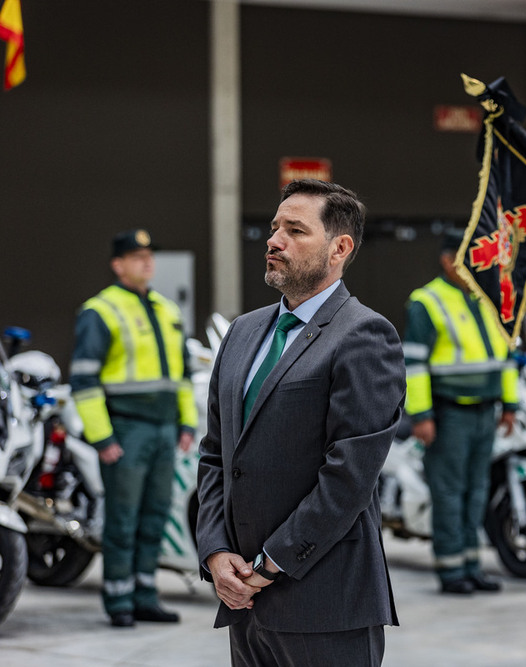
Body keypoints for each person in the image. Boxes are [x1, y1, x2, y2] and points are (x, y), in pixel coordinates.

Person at [196, 179, 405, 665]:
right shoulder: (242, 332)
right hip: (244, 605)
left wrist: (269, 564)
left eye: (294, 230)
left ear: (340, 248)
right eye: (274, 228)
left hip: (324, 604)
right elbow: (215, 454)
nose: (273, 240)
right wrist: (214, 549)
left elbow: (348, 477)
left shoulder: (365, 335)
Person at [69, 229, 197, 628]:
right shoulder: (101, 310)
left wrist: (187, 421)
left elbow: (182, 376)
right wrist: (102, 437)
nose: (146, 262)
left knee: (156, 517)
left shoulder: (167, 310)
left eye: (149, 255)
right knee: (123, 520)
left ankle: (145, 596)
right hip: (125, 430)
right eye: (137, 256)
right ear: (117, 264)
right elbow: (83, 380)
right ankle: (119, 602)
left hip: (163, 430)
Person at [402, 229, 518, 594]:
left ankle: (472, 566)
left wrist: (510, 404)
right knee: (449, 493)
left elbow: (506, 357)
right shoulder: (427, 301)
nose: (475, 266)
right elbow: (414, 365)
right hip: (448, 414)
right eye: (468, 258)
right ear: (447, 260)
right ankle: (451, 570)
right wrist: (421, 416)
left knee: (477, 491)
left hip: (486, 412)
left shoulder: (488, 299)